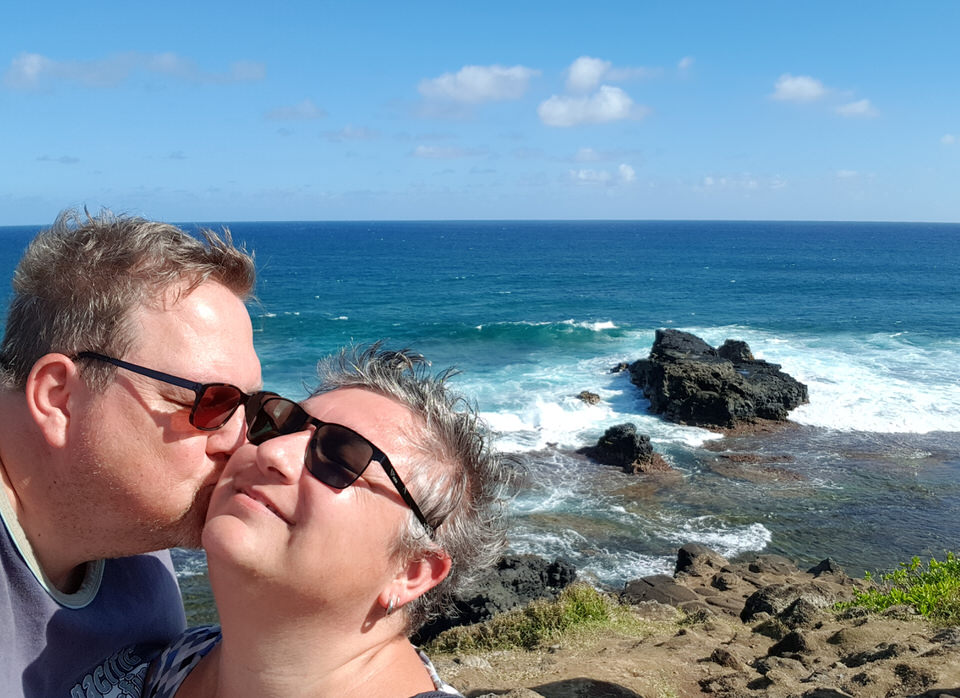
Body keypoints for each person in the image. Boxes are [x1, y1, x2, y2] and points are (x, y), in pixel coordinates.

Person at [136, 345, 510, 697]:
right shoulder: (162, 662)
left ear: (412, 570)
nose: (272, 451)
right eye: (280, 424)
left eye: (339, 459)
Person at [0, 209, 262, 697]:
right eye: (209, 403)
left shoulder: (134, 534)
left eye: (249, 408)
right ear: (59, 398)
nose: (242, 444)